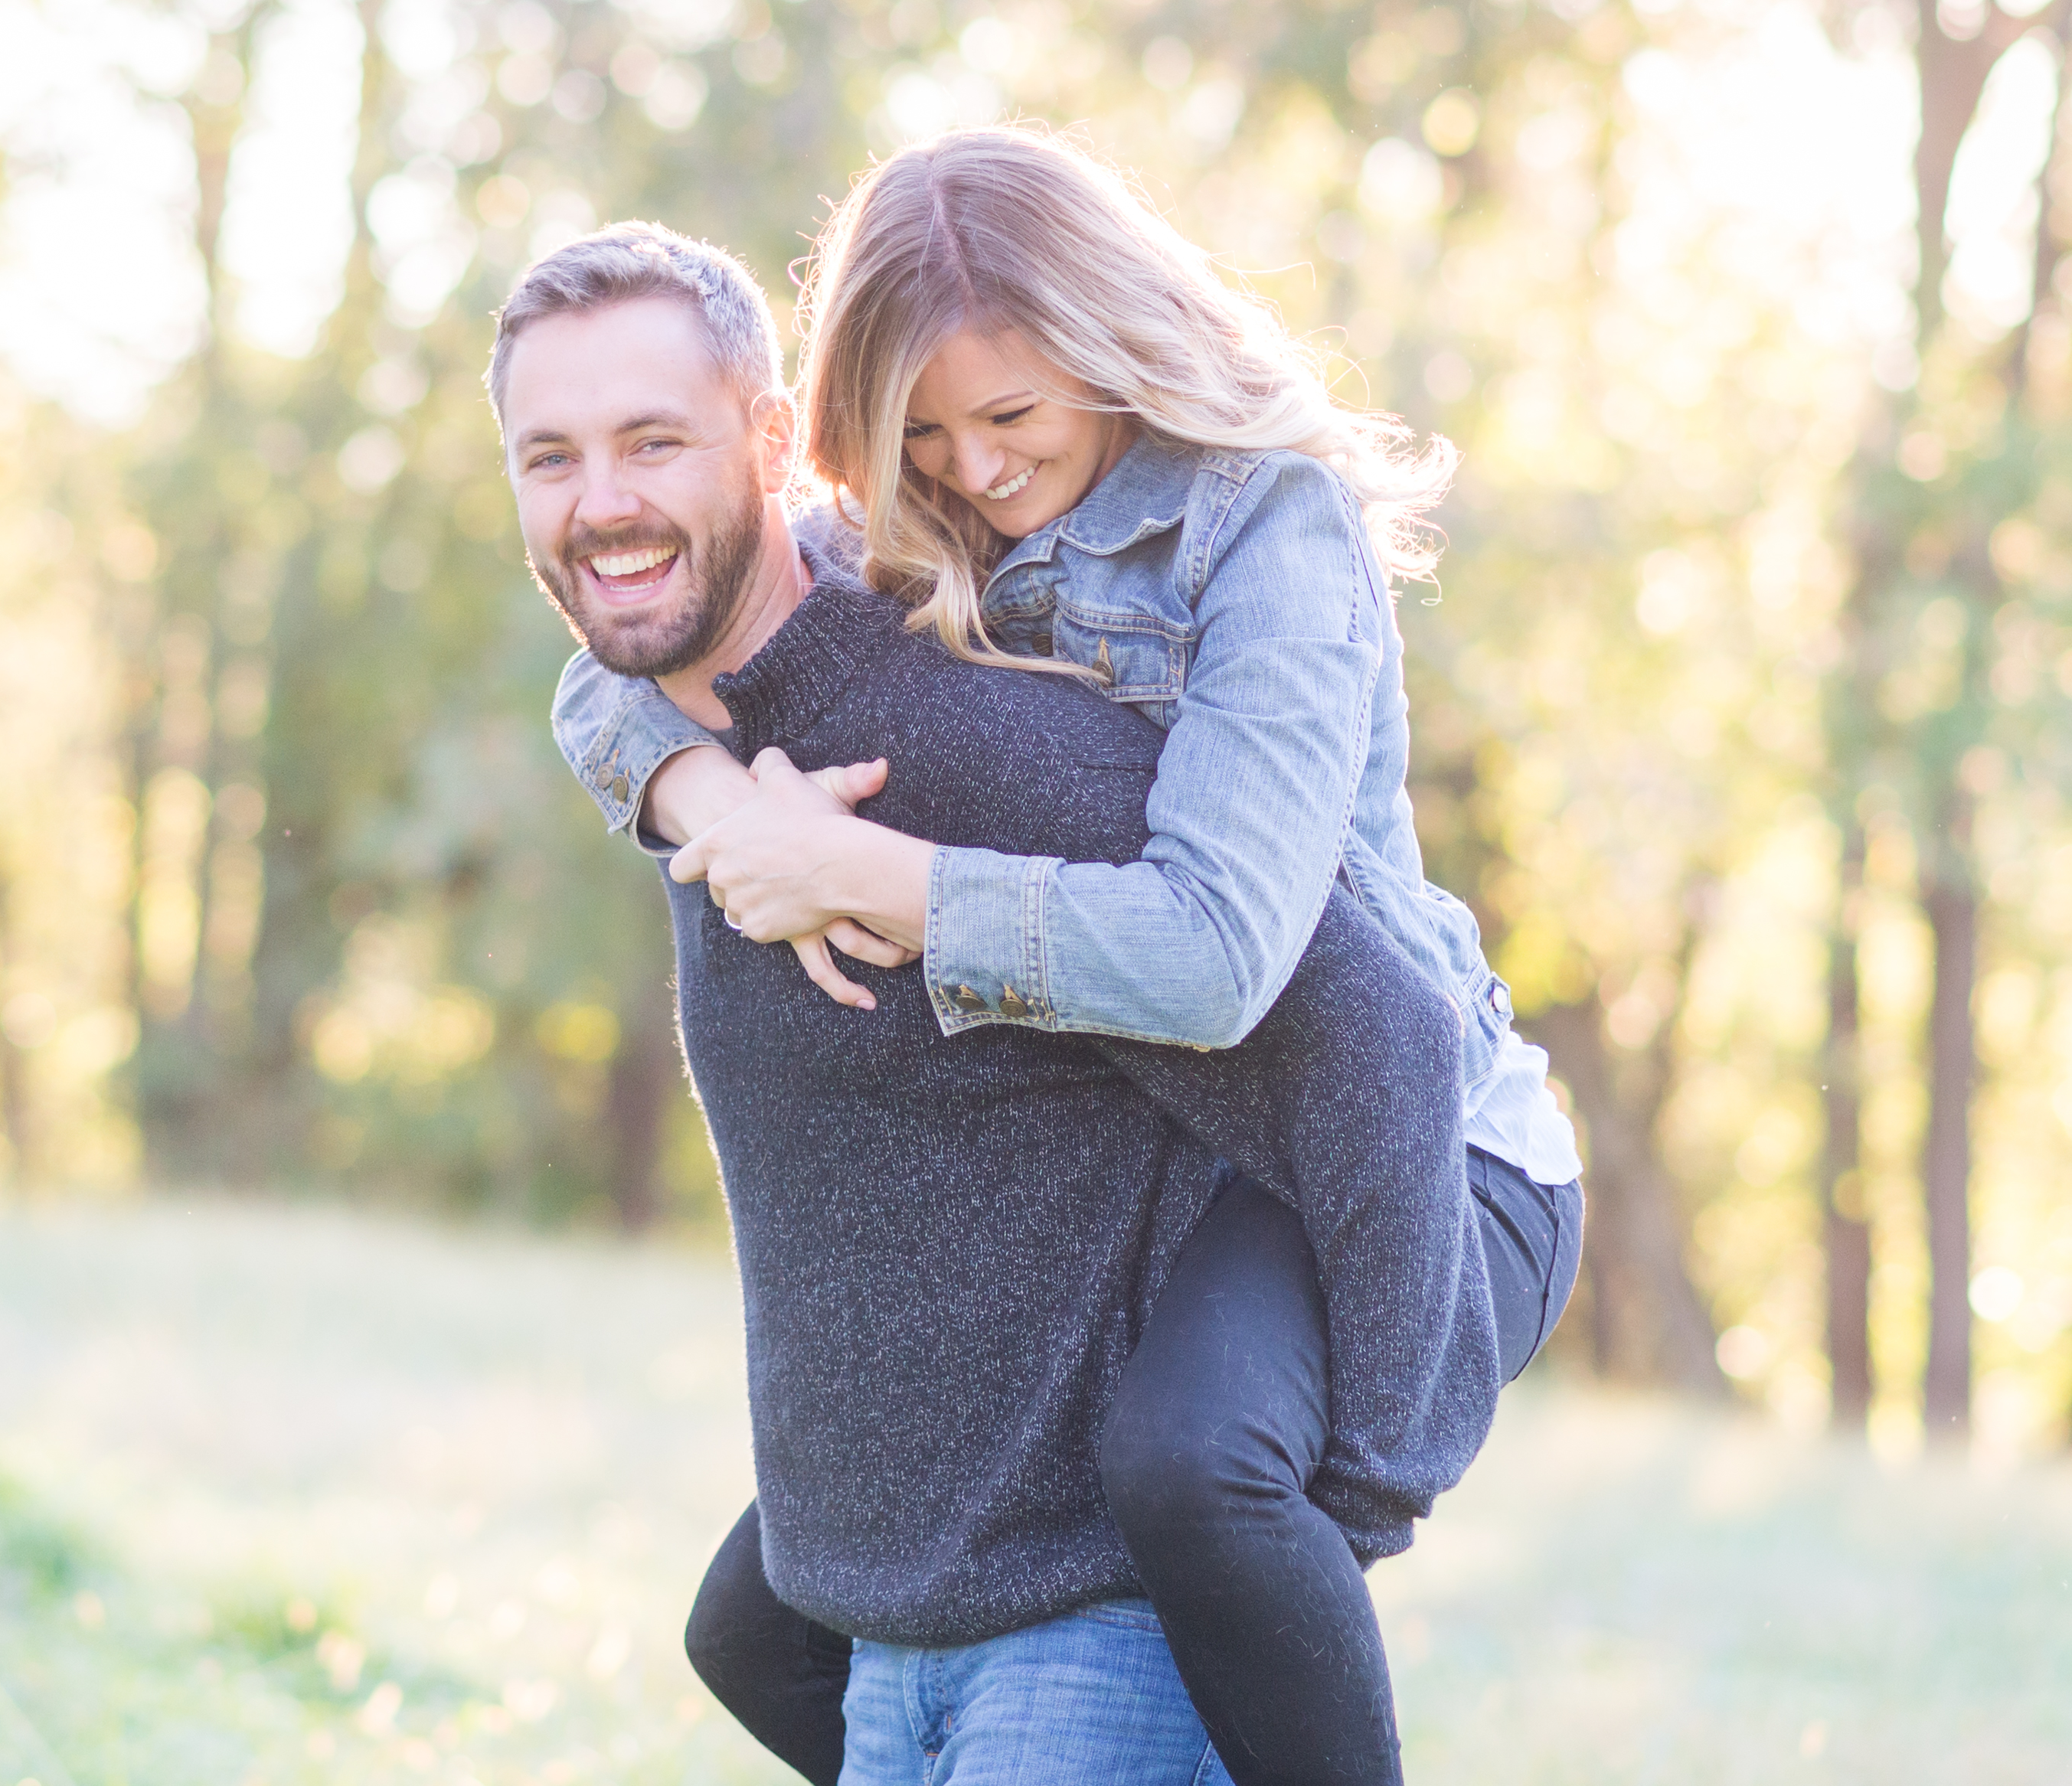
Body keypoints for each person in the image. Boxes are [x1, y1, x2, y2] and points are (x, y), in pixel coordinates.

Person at [540, 132, 1583, 1786]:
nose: (973, 470)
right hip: (1207, 1118)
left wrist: (874, 873)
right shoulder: (908, 507)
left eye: (1011, 418)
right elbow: (641, 641)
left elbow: (1221, 957)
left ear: (1113, 346)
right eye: (922, 434)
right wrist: (703, 788)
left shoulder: (1266, 528)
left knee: (1191, 1471)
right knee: (766, 1607)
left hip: (1407, 1146)